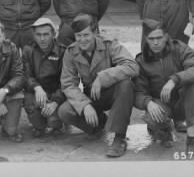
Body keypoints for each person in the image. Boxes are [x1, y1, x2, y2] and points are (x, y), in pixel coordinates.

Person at [58, 14, 139, 157]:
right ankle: (98, 125)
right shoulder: (71, 52)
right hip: (91, 95)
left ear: (95, 33)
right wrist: (84, 105)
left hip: (112, 91)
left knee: (126, 85)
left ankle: (119, 138)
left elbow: (132, 66)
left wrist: (103, 77)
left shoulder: (110, 45)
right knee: (65, 111)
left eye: (86, 35)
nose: (82, 40)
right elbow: (68, 84)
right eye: (78, 36)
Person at [134, 19, 194, 153]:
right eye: (151, 39)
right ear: (146, 39)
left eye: (159, 38)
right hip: (161, 104)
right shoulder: (141, 60)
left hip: (183, 102)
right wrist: (148, 103)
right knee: (153, 119)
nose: (155, 43)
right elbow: (138, 91)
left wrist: (174, 80)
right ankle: (164, 129)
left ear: (166, 36)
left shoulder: (179, 48)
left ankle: (191, 140)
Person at [22, 18, 67, 137]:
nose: (42, 39)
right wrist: (36, 87)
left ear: (54, 34)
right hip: (37, 92)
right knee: (36, 119)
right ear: (34, 35)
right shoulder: (28, 50)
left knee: (54, 122)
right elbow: (25, 75)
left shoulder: (63, 51)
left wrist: (56, 102)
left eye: (46, 34)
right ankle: (39, 125)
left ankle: (57, 123)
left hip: (56, 92)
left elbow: (67, 81)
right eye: (38, 35)